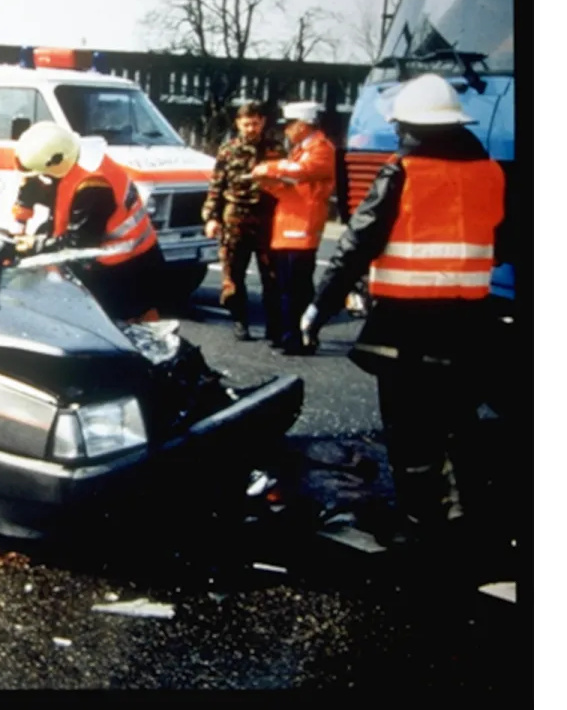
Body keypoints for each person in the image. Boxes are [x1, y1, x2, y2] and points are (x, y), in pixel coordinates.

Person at [300, 73, 505, 546]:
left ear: (414, 127)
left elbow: (356, 245)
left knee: (410, 426)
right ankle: (463, 514)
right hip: (470, 321)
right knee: (458, 422)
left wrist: (318, 308)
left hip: (406, 325)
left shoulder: (402, 171)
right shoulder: (491, 173)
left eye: (401, 128)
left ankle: (421, 521)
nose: (397, 136)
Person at [9, 122, 167, 324]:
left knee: (119, 333)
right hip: (118, 262)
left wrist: (35, 244)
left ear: (56, 164)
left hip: (128, 269)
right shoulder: (72, 153)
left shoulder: (93, 186)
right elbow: (55, 192)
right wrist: (20, 217)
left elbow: (79, 245)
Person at [251, 101, 336, 354]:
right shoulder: (301, 149)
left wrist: (268, 168)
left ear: (303, 125)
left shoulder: (321, 149)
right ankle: (289, 335)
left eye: (289, 125)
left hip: (302, 226)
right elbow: (288, 183)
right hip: (289, 224)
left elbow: (300, 172)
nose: (286, 130)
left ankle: (296, 338)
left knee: (295, 289)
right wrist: (267, 181)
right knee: (286, 287)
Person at [202, 101, 283, 342]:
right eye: (246, 124)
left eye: (255, 123)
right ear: (238, 123)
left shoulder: (275, 149)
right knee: (233, 273)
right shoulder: (228, 150)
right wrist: (211, 217)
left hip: (267, 217)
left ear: (263, 123)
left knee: (272, 274)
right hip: (235, 215)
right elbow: (216, 186)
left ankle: (274, 327)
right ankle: (240, 321)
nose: (251, 128)